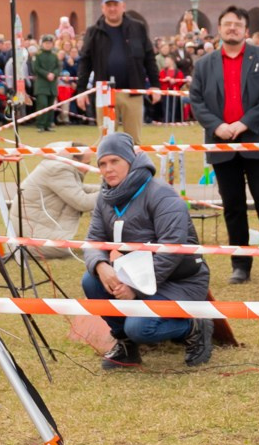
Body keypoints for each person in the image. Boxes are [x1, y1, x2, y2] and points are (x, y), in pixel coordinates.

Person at [82, 129, 216, 369]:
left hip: (179, 280)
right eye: (102, 163)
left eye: (115, 161)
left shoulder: (161, 194)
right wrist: (100, 266)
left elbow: (172, 248)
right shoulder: (105, 198)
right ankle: (125, 346)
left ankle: (194, 326)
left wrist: (135, 288)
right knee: (91, 281)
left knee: (140, 328)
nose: (108, 168)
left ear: (131, 161)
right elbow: (93, 240)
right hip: (135, 275)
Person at [190, 6, 259, 284]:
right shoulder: (204, 64)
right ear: (220, 29)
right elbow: (197, 101)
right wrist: (217, 126)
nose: (232, 28)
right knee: (232, 205)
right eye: (227, 24)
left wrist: (243, 124)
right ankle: (240, 263)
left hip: (256, 140)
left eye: (237, 24)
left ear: (245, 30)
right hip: (221, 143)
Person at [78, 0, 158, 139]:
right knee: (106, 140)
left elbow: (149, 58)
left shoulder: (137, 28)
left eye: (116, 4)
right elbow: (85, 61)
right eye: (109, 5)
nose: (112, 9)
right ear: (103, 8)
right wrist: (81, 90)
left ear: (123, 7)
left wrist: (155, 85)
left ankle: (134, 163)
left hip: (132, 91)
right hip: (105, 93)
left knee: (134, 141)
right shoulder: (94, 31)